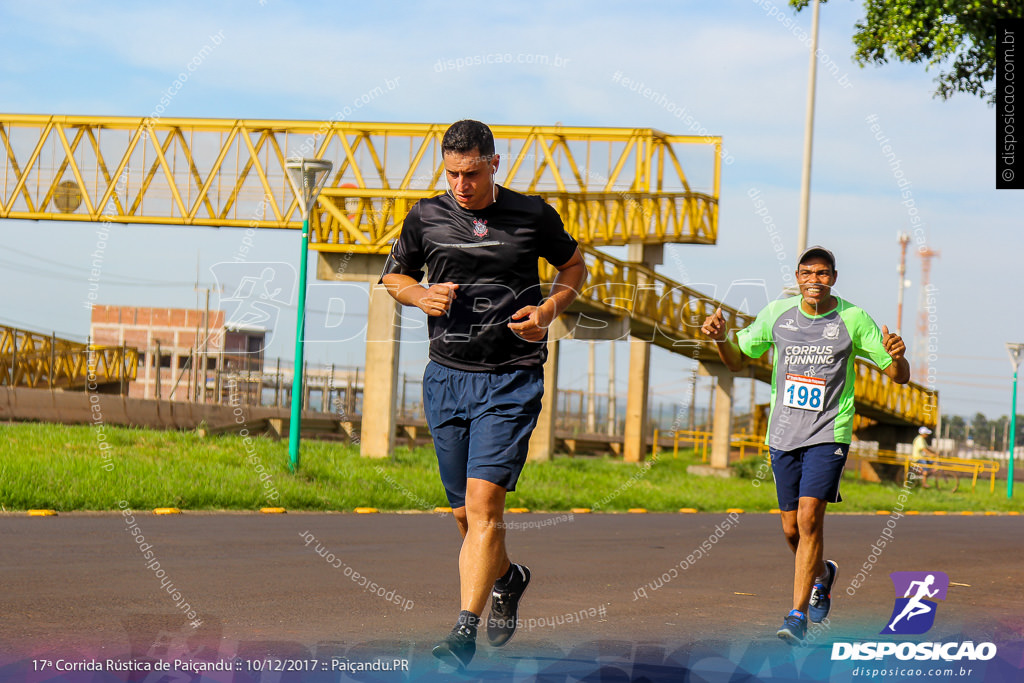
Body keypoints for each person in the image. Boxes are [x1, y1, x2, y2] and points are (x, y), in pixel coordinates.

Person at [380, 119, 586, 669]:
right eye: (452, 174)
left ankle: (463, 631)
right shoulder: (425, 216)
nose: (462, 185)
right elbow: (393, 277)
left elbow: (573, 266)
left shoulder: (533, 216)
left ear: (495, 163)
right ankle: (508, 576)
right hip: (447, 376)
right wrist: (419, 294)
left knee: (484, 505)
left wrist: (548, 311)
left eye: (471, 173)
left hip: (512, 376)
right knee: (464, 518)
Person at [700, 245, 910, 645]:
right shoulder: (777, 314)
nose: (815, 280)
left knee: (811, 519)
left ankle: (796, 616)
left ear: (833, 278)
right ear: (797, 278)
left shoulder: (853, 319)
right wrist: (722, 338)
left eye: (823, 273)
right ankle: (824, 575)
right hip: (783, 435)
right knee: (791, 529)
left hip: (829, 431)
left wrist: (898, 358)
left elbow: (898, 376)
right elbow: (736, 362)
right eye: (807, 273)